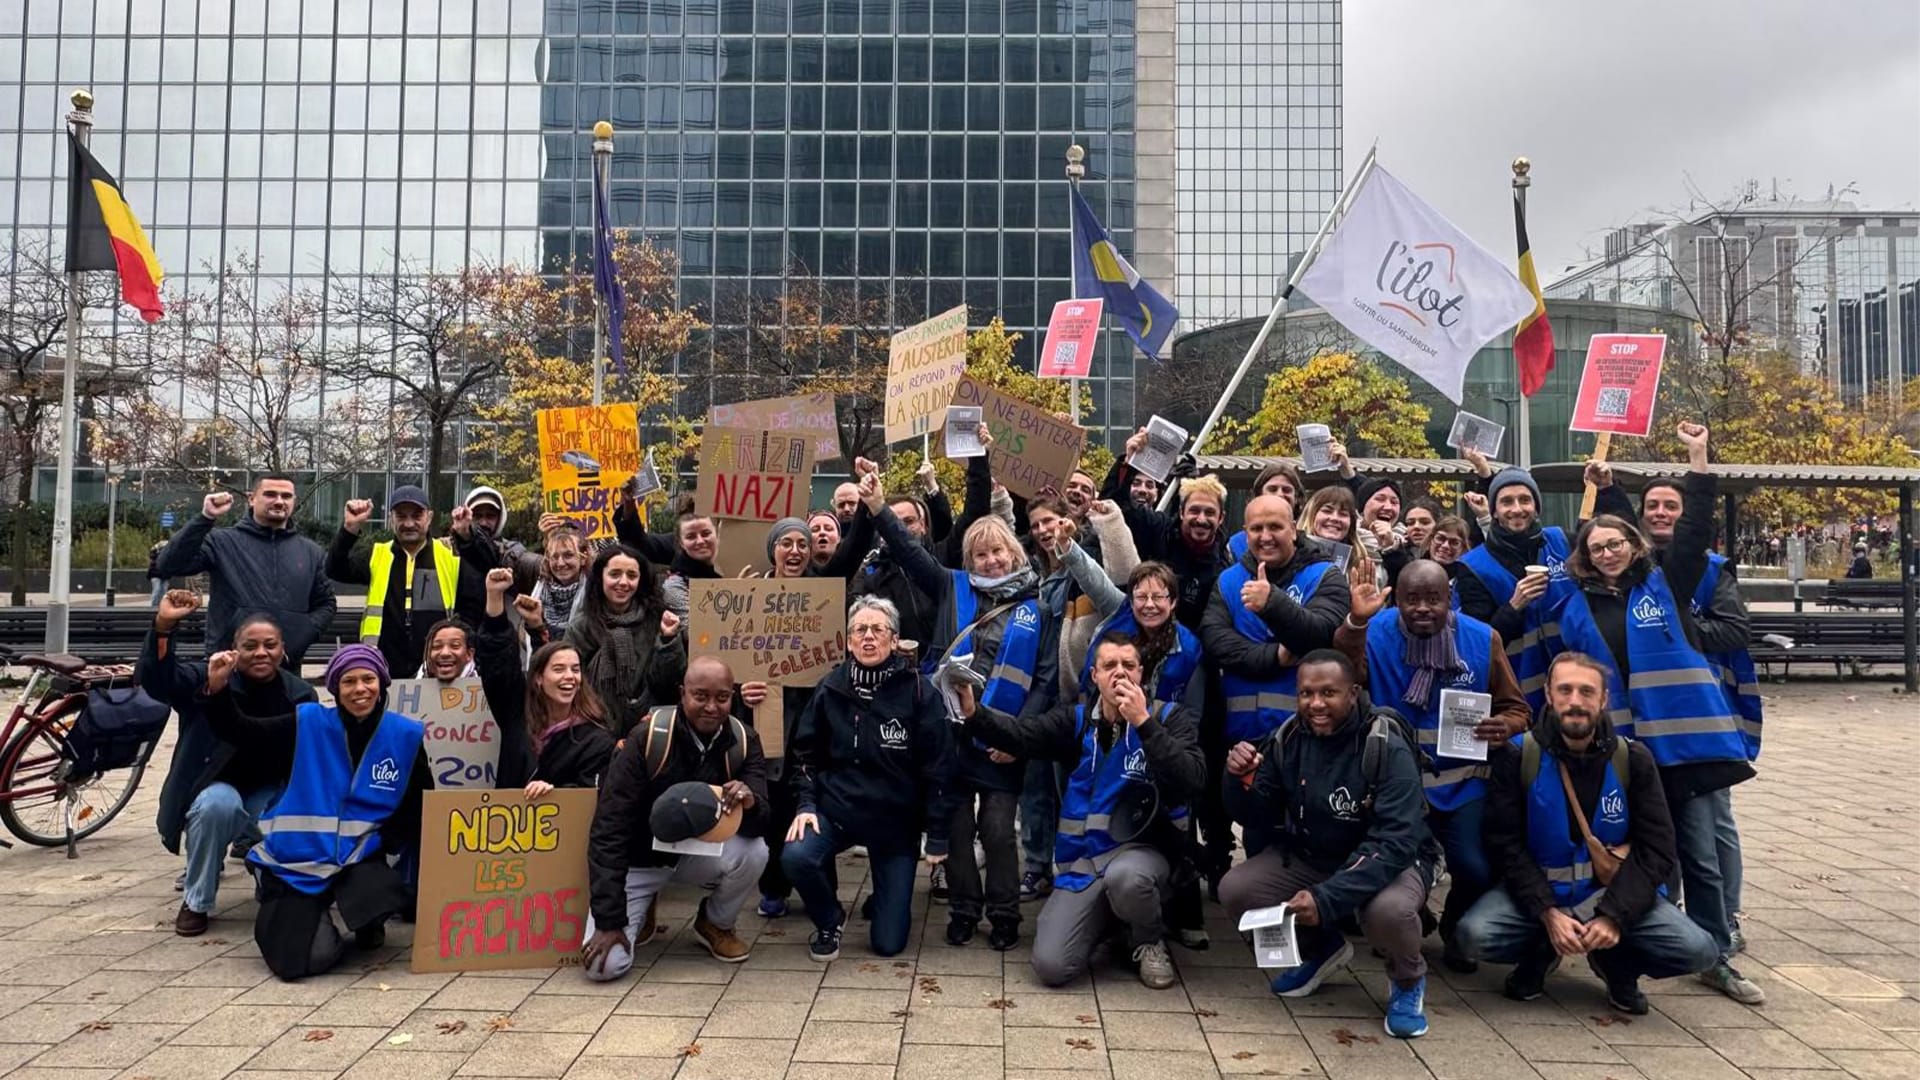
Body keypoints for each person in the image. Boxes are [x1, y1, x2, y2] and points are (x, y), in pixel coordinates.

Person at [1554, 422, 1763, 1005]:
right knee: (1644, 857)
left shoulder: (1666, 583)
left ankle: (1716, 952)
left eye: (1616, 543)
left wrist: (1699, 460)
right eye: (1596, 548)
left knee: (1701, 856)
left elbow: (1694, 533)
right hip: (1627, 755)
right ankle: (1647, 946)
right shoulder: (1578, 606)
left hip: (1687, 750)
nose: (1607, 552)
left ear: (1635, 546)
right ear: (1586, 557)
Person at [1455, 653, 1719, 1013]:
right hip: (1540, 895)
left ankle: (1618, 965)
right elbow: (1504, 844)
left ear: (1604, 699)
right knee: (1473, 936)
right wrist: (1547, 913)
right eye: (1564, 690)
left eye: (1586, 691)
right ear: (1548, 694)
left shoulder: (1633, 759)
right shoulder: (1520, 757)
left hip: (1610, 894)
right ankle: (1539, 954)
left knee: (1700, 950)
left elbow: (1657, 849)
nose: (1575, 702)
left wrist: (1614, 915)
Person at [867, 473, 1057, 949]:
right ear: (968, 560)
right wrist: (876, 506)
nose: (991, 560)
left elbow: (1046, 678)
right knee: (954, 826)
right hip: (950, 736)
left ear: (1014, 552)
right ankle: (964, 910)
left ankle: (1005, 913)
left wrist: (1018, 740)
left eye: (998, 551)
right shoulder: (951, 587)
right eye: (980, 553)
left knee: (996, 829)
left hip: (1003, 740)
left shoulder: (1039, 603)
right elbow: (910, 552)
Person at [956, 632, 1206, 988]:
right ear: (1094, 675)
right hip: (1085, 863)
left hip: (1144, 856)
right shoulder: (1076, 722)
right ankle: (1112, 923)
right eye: (1109, 666)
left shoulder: (1169, 718)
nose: (1119, 673)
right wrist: (974, 713)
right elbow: (1022, 735)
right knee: (1051, 966)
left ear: (1143, 673)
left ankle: (1148, 939)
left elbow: (1192, 779)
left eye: (1129, 666)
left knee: (1128, 880)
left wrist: (1143, 724)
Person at [1219, 650, 1438, 1039]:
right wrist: (1238, 777)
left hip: (1391, 862)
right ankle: (1322, 949)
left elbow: (1395, 842)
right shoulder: (1288, 737)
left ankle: (1407, 980)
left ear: (1353, 693)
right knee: (1236, 891)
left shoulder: (1385, 744)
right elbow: (1255, 815)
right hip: (1316, 856)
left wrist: (1325, 899)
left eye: (1328, 693)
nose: (1316, 704)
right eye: (1306, 694)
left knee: (1387, 911)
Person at [1338, 559, 1531, 972]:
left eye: (1434, 599)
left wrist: (1504, 725)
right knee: (1392, 865)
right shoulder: (1378, 631)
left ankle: (1456, 929)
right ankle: (1400, 927)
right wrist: (1355, 623)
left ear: (1450, 599)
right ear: (1399, 601)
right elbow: (1347, 675)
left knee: (1476, 866)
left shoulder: (1483, 638)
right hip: (1398, 783)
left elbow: (1517, 707)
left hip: (1464, 783)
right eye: (1412, 600)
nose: (1423, 608)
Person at [213, 645, 433, 980]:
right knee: (304, 963)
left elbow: (420, 801)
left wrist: (389, 842)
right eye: (348, 681)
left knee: (382, 892)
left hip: (358, 857)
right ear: (335, 688)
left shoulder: (405, 734)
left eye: (368, 679)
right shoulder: (308, 722)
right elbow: (243, 731)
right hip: (296, 861)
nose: (360, 689)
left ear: (382, 683)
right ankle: (288, 902)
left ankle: (367, 920)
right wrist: (218, 690)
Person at [783, 596, 957, 959]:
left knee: (888, 944)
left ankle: (885, 895)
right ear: (848, 641)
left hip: (895, 826)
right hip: (838, 812)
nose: (868, 637)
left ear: (894, 640)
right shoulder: (830, 688)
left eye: (878, 630)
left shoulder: (921, 692)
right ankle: (829, 920)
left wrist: (937, 835)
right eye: (860, 630)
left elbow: (940, 766)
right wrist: (805, 804)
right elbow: (804, 754)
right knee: (797, 856)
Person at [139, 590, 317, 937]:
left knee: (289, 813)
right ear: (235, 649)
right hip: (218, 788)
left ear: (283, 649)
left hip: (269, 792)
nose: (261, 653)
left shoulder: (299, 694)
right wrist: (163, 627)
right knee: (217, 807)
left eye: (270, 645)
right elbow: (157, 679)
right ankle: (197, 900)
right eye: (250, 646)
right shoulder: (207, 677)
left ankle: (272, 879)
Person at [580, 656, 771, 978]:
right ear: (682, 693)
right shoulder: (647, 738)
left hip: (697, 854)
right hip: (641, 860)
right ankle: (643, 905)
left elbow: (764, 821)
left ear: (732, 697)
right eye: (700, 696)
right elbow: (608, 828)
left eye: (722, 697)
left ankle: (715, 923)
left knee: (755, 851)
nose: (711, 706)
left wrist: (751, 803)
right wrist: (608, 921)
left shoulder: (743, 740)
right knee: (604, 967)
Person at [1201, 494, 1351, 751]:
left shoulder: (1325, 575)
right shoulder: (1228, 580)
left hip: (1307, 741)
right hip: (1238, 742)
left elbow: (1321, 636)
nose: (1265, 536)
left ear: (1293, 530)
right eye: (1257, 528)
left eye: (1275, 527)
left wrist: (1273, 603)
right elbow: (1216, 642)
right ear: (1245, 534)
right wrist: (1274, 657)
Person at [154, 475, 337, 666]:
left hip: (284, 667)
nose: (279, 501)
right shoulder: (221, 542)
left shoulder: (310, 551)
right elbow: (169, 564)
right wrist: (205, 518)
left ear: (294, 501)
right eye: (270, 494)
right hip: (228, 665)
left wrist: (301, 635)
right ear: (251, 498)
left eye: (286, 496)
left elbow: (326, 604)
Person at [328, 486, 497, 679]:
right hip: (384, 666)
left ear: (429, 517)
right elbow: (334, 568)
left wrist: (467, 535)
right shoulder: (377, 554)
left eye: (417, 516)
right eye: (401, 516)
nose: (409, 524)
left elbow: (476, 597)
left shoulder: (450, 555)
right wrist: (349, 529)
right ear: (391, 518)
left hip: (438, 668)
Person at [1454, 464, 1585, 712]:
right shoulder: (1472, 567)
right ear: (1493, 511)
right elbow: (1476, 643)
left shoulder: (1563, 542)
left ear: (1536, 507)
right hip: (1516, 694)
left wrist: (1607, 490)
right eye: (1506, 502)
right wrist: (1514, 607)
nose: (1517, 509)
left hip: (1574, 687)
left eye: (1525, 500)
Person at [478, 568, 618, 794]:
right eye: (559, 669)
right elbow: (498, 667)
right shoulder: (517, 716)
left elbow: (592, 795)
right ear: (538, 679)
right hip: (506, 825)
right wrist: (494, 597)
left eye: (575, 669)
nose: (569, 677)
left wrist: (555, 793)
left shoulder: (596, 739)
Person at [566, 543, 688, 736]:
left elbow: (668, 683)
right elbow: (571, 684)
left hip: (650, 728)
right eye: (615, 574)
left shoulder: (656, 619)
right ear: (600, 577)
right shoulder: (582, 626)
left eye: (632, 576)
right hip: (596, 730)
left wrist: (669, 640)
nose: (623, 582)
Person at [660, 505, 721, 619]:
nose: (700, 541)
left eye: (706, 533)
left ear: (717, 534)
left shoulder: (736, 569)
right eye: (691, 536)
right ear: (681, 543)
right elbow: (694, 629)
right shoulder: (675, 586)